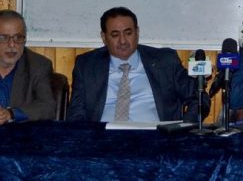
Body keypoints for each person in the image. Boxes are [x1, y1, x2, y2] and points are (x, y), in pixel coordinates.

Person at [67, 7, 206, 122]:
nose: (122, 41)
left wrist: (183, 128)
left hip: (154, 138)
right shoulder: (87, 65)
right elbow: (76, 113)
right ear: (104, 37)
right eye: (115, 35)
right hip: (103, 138)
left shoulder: (164, 61)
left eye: (128, 33)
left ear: (137, 32)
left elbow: (200, 98)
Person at [0, 10, 55, 124]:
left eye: (18, 37)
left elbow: (47, 107)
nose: (12, 45)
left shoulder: (38, 66)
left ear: (24, 39)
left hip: (21, 133)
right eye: (4, 38)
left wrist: (11, 114)